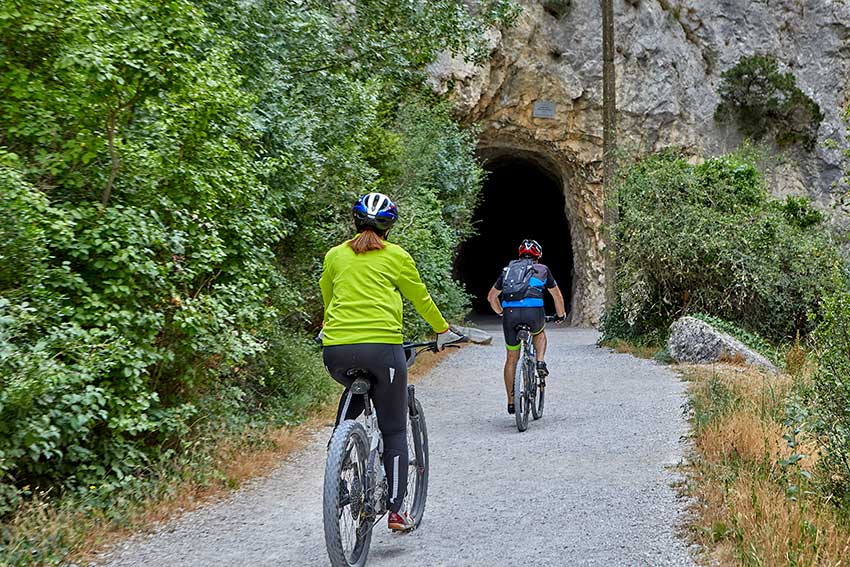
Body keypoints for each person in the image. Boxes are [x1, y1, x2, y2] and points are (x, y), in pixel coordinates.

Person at [320, 192, 463, 532]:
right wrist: (443, 330)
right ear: (390, 227)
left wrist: (332, 327)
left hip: (337, 351)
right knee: (395, 427)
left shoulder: (334, 256)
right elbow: (420, 298)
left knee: (348, 404)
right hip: (383, 351)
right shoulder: (396, 256)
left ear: (354, 222)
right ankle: (398, 511)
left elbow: (329, 299)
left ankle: (336, 468)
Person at [486, 239, 567, 414]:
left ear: (519, 255)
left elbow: (491, 297)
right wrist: (560, 315)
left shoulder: (507, 271)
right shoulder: (543, 270)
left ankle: (511, 402)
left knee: (511, 358)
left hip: (510, 315)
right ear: (539, 256)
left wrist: (501, 312)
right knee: (539, 333)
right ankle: (539, 361)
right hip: (534, 314)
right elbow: (557, 296)